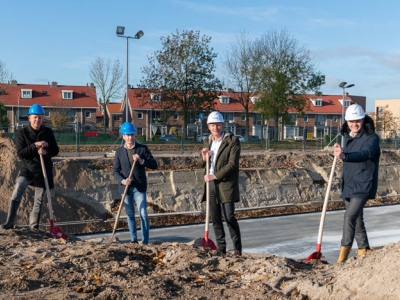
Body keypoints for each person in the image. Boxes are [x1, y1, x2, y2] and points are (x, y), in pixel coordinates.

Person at [333, 103, 380, 263]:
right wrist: (340, 152)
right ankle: (363, 251)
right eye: (351, 121)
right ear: (347, 122)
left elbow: (365, 154)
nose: (354, 124)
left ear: (363, 119)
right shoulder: (348, 138)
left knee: (349, 217)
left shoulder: (372, 138)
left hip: (363, 184)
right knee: (357, 219)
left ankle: (342, 258)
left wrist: (345, 156)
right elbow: (347, 157)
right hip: (349, 184)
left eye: (357, 120)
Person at [0, 104, 59, 230]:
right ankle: (9, 222)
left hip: (44, 171)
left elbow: (55, 150)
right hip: (28, 168)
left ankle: (34, 227)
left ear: (43, 119)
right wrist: (35, 145)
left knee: (38, 200)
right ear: (29, 118)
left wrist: (46, 151)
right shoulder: (22, 133)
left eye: (40, 117)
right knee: (18, 190)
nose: (38, 120)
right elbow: (21, 153)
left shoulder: (47, 132)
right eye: (35, 117)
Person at [198, 111, 242, 256]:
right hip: (210, 184)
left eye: (218, 125)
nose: (215, 128)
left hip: (226, 184)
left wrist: (215, 176)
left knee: (229, 217)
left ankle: (237, 248)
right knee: (215, 217)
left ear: (222, 125)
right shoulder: (207, 141)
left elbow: (232, 164)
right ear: (208, 126)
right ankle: (221, 247)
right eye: (212, 125)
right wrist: (204, 158)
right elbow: (200, 164)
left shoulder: (232, 141)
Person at [113, 122, 157, 244]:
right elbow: (115, 171)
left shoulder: (142, 149)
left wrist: (142, 160)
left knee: (143, 213)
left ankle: (145, 241)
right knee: (130, 214)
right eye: (127, 135)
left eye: (131, 135)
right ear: (123, 136)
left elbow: (154, 164)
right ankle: (133, 240)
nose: (130, 138)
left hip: (139, 187)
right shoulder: (119, 152)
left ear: (134, 135)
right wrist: (123, 180)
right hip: (126, 188)